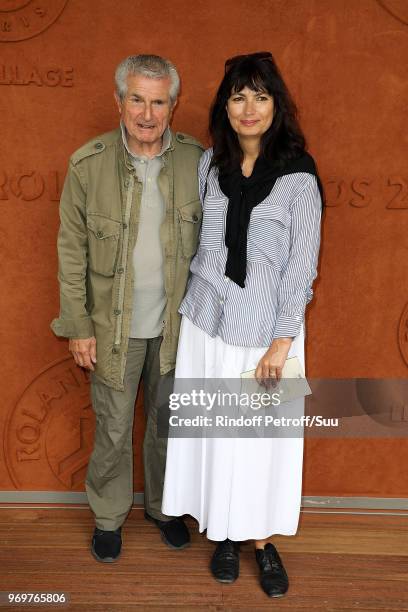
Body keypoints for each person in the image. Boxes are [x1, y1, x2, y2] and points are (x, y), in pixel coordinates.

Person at [162, 51, 323, 597]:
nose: (248, 108)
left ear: (276, 105)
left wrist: (282, 343)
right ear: (224, 106)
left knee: (260, 440)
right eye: (237, 96)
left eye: (259, 95)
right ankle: (224, 535)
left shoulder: (299, 175)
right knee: (215, 434)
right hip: (206, 324)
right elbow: (202, 246)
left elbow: (302, 266)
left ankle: (261, 542)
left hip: (266, 334)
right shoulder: (211, 165)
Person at [51, 54, 203, 561]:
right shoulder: (86, 164)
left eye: (158, 101)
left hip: (177, 328)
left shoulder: (197, 163)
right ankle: (109, 517)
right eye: (137, 98)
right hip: (110, 328)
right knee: (113, 429)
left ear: (173, 106)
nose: (147, 112)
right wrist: (77, 326)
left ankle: (163, 508)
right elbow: (71, 251)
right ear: (118, 101)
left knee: (168, 424)